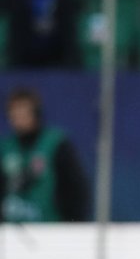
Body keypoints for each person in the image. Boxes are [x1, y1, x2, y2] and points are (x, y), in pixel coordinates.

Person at [1, 87, 89, 223]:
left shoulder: (56, 144)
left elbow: (76, 189)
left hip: (50, 228)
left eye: (24, 112)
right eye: (14, 113)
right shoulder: (5, 148)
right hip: (11, 229)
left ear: (36, 113)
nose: (19, 118)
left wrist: (72, 223)